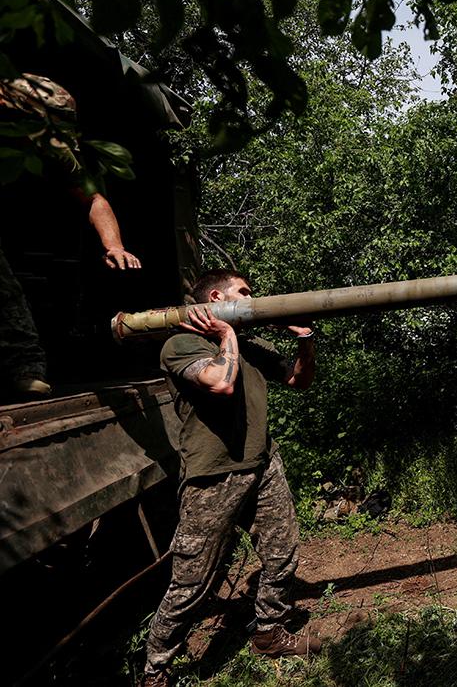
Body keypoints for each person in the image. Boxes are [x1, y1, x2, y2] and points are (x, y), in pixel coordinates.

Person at [143, 269, 319, 687]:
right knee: (191, 582)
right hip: (213, 476)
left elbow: (300, 379)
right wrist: (226, 334)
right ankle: (156, 669)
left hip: (261, 464)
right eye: (244, 292)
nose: (251, 298)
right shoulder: (180, 343)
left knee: (282, 552)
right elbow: (221, 382)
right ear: (218, 297)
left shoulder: (250, 346)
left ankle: (268, 632)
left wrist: (305, 338)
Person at [0, 73, 142, 401]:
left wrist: (114, 245)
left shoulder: (55, 150)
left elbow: (94, 199)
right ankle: (25, 367)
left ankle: (26, 372)